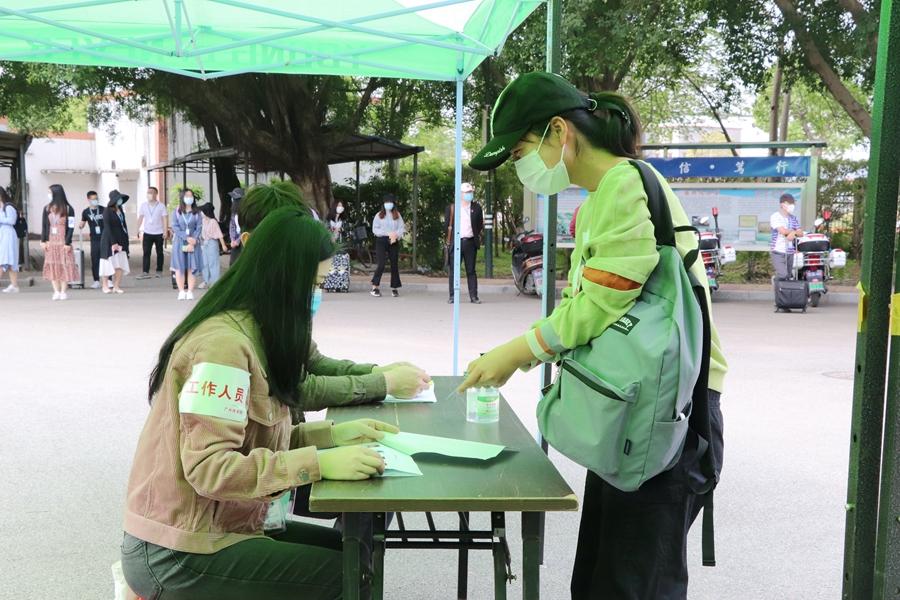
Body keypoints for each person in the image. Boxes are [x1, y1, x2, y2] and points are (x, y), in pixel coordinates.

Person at [460, 72, 727, 600]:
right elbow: (586, 301)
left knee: (631, 585)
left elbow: (607, 298)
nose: (521, 167)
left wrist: (518, 352)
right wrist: (523, 350)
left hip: (668, 414)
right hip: (633, 405)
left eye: (520, 153)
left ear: (559, 131)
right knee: (604, 580)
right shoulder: (606, 193)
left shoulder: (623, 184)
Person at [121, 206, 398, 600]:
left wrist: (334, 436)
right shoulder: (224, 347)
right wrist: (319, 464)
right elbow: (210, 468)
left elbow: (256, 439)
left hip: (225, 525)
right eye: (314, 284)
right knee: (347, 575)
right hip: (178, 549)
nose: (316, 297)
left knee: (354, 556)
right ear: (282, 279)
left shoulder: (260, 333)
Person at [445, 182, 484, 304]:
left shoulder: (476, 208)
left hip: (470, 242)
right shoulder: (452, 208)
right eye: (467, 192)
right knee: (454, 271)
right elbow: (447, 226)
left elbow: (479, 225)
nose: (469, 194)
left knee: (471, 270)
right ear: (461, 194)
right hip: (456, 242)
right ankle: (452, 296)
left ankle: (474, 296)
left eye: (471, 192)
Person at [40, 184, 78, 300]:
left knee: (63, 265)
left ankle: (63, 291)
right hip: (51, 240)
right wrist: (43, 240)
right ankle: (56, 291)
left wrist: (67, 242)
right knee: (53, 265)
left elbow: (71, 227)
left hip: (63, 240)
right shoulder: (47, 209)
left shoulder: (68, 209)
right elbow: (44, 225)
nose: (49, 195)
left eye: (50, 193)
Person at [171, 189, 203, 301]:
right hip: (180, 241)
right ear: (182, 197)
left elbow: (199, 227)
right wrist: (186, 238)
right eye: (187, 196)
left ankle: (190, 291)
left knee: (191, 267)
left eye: (191, 196)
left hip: (193, 242)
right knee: (179, 267)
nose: (189, 198)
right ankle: (181, 291)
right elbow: (175, 227)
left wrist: (193, 240)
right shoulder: (177, 211)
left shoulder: (197, 212)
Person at [370, 193, 405, 297]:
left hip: (393, 241)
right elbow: (375, 229)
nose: (388, 204)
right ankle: (374, 286)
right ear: (383, 204)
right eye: (386, 202)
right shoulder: (378, 216)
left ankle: (394, 288)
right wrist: (387, 233)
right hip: (381, 241)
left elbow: (401, 228)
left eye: (390, 202)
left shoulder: (397, 215)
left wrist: (395, 235)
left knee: (394, 265)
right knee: (381, 264)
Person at [99, 190, 131, 294]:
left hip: (121, 238)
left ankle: (116, 286)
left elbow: (124, 226)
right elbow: (107, 227)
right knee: (108, 263)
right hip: (109, 240)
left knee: (119, 264)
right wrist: (113, 242)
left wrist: (126, 242)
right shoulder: (107, 211)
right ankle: (105, 285)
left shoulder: (121, 211)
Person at [136, 186, 168, 279]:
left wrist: (165, 231)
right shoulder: (144, 205)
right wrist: (137, 228)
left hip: (159, 232)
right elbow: (140, 217)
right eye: (148, 192)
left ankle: (159, 270)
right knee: (146, 252)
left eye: (150, 192)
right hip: (147, 232)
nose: (148, 194)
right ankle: (145, 271)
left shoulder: (161, 206)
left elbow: (165, 218)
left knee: (160, 252)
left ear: (155, 194)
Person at [770, 193, 803, 282]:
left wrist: (794, 232)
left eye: (793, 203)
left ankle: (781, 290)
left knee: (788, 277)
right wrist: (792, 232)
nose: (792, 205)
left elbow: (801, 233)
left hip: (790, 251)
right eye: (789, 203)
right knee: (783, 274)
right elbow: (783, 231)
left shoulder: (793, 218)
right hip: (778, 251)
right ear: (782, 204)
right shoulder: (775, 216)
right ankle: (775, 280)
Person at [77, 190, 104, 289]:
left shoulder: (104, 210)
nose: (96, 200)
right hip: (94, 239)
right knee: (95, 259)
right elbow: (83, 221)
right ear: (89, 200)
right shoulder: (86, 212)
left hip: (105, 238)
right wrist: (81, 225)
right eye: (94, 199)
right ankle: (96, 280)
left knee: (106, 259)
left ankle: (108, 280)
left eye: (97, 199)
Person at [197, 202, 227, 289]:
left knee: (213, 263)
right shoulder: (203, 220)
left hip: (212, 243)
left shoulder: (213, 222)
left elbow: (219, 234)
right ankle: (205, 281)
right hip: (205, 243)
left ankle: (215, 282)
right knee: (205, 263)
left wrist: (223, 245)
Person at [0, 187, 20, 293]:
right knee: (9, 260)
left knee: (3, 259)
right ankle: (14, 285)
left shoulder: (8, 207)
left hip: (8, 234)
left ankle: (14, 285)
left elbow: (12, 220)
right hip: (2, 233)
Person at [228, 187, 244, 265]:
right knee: (232, 263)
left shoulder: (245, 212)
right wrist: (232, 240)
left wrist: (238, 241)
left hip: (243, 239)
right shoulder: (234, 212)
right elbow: (232, 226)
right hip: (235, 241)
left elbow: (244, 229)